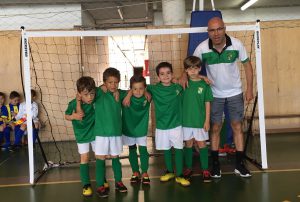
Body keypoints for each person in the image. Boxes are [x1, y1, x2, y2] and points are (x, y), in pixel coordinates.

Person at [193, 17, 254, 178]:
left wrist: (249, 89)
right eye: (212, 30)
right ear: (208, 32)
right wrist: (192, 78)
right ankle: (215, 166)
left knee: (237, 126)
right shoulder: (201, 48)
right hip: (214, 94)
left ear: (224, 28)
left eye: (219, 29)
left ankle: (239, 165)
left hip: (235, 92)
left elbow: (247, 66)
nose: (216, 33)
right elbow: (191, 69)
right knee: (215, 128)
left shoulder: (237, 44)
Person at [146, 62, 190, 187]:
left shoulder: (178, 87)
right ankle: (170, 171)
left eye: (168, 73)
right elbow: (138, 86)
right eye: (162, 74)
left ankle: (180, 174)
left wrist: (183, 77)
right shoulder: (153, 89)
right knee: (166, 149)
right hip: (162, 126)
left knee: (178, 149)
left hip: (176, 125)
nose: (165, 76)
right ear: (158, 77)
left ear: (172, 74)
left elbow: (192, 77)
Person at [93, 68, 128, 198]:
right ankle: (100, 185)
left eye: (115, 82)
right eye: (110, 82)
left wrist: (126, 94)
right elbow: (85, 92)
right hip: (101, 133)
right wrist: (101, 87)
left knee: (115, 158)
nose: (113, 85)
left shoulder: (120, 93)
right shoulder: (98, 92)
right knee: (100, 160)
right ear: (104, 82)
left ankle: (118, 182)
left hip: (115, 133)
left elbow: (131, 91)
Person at [65, 76, 99, 197]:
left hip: (95, 133)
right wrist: (73, 116)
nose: (90, 97)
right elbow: (66, 116)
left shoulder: (96, 100)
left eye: (92, 93)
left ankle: (102, 179)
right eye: (86, 94)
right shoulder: (73, 104)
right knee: (84, 158)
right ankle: (86, 184)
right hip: (82, 135)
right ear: (79, 94)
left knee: (100, 156)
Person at [182, 56, 213, 183]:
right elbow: (170, 79)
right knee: (188, 144)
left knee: (202, 144)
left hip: (200, 122)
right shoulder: (183, 84)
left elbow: (207, 103)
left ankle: (205, 169)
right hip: (186, 122)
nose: (193, 71)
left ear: (200, 68)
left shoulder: (204, 85)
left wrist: (207, 120)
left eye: (196, 68)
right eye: (190, 68)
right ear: (186, 70)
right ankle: (188, 168)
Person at [122, 75, 151, 185]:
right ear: (130, 89)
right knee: (132, 150)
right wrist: (129, 94)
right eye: (134, 89)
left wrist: (147, 91)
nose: (138, 91)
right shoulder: (124, 96)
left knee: (143, 150)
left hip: (141, 129)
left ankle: (144, 172)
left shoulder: (148, 96)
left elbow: (157, 87)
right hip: (129, 128)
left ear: (145, 88)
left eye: (141, 88)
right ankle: (135, 172)